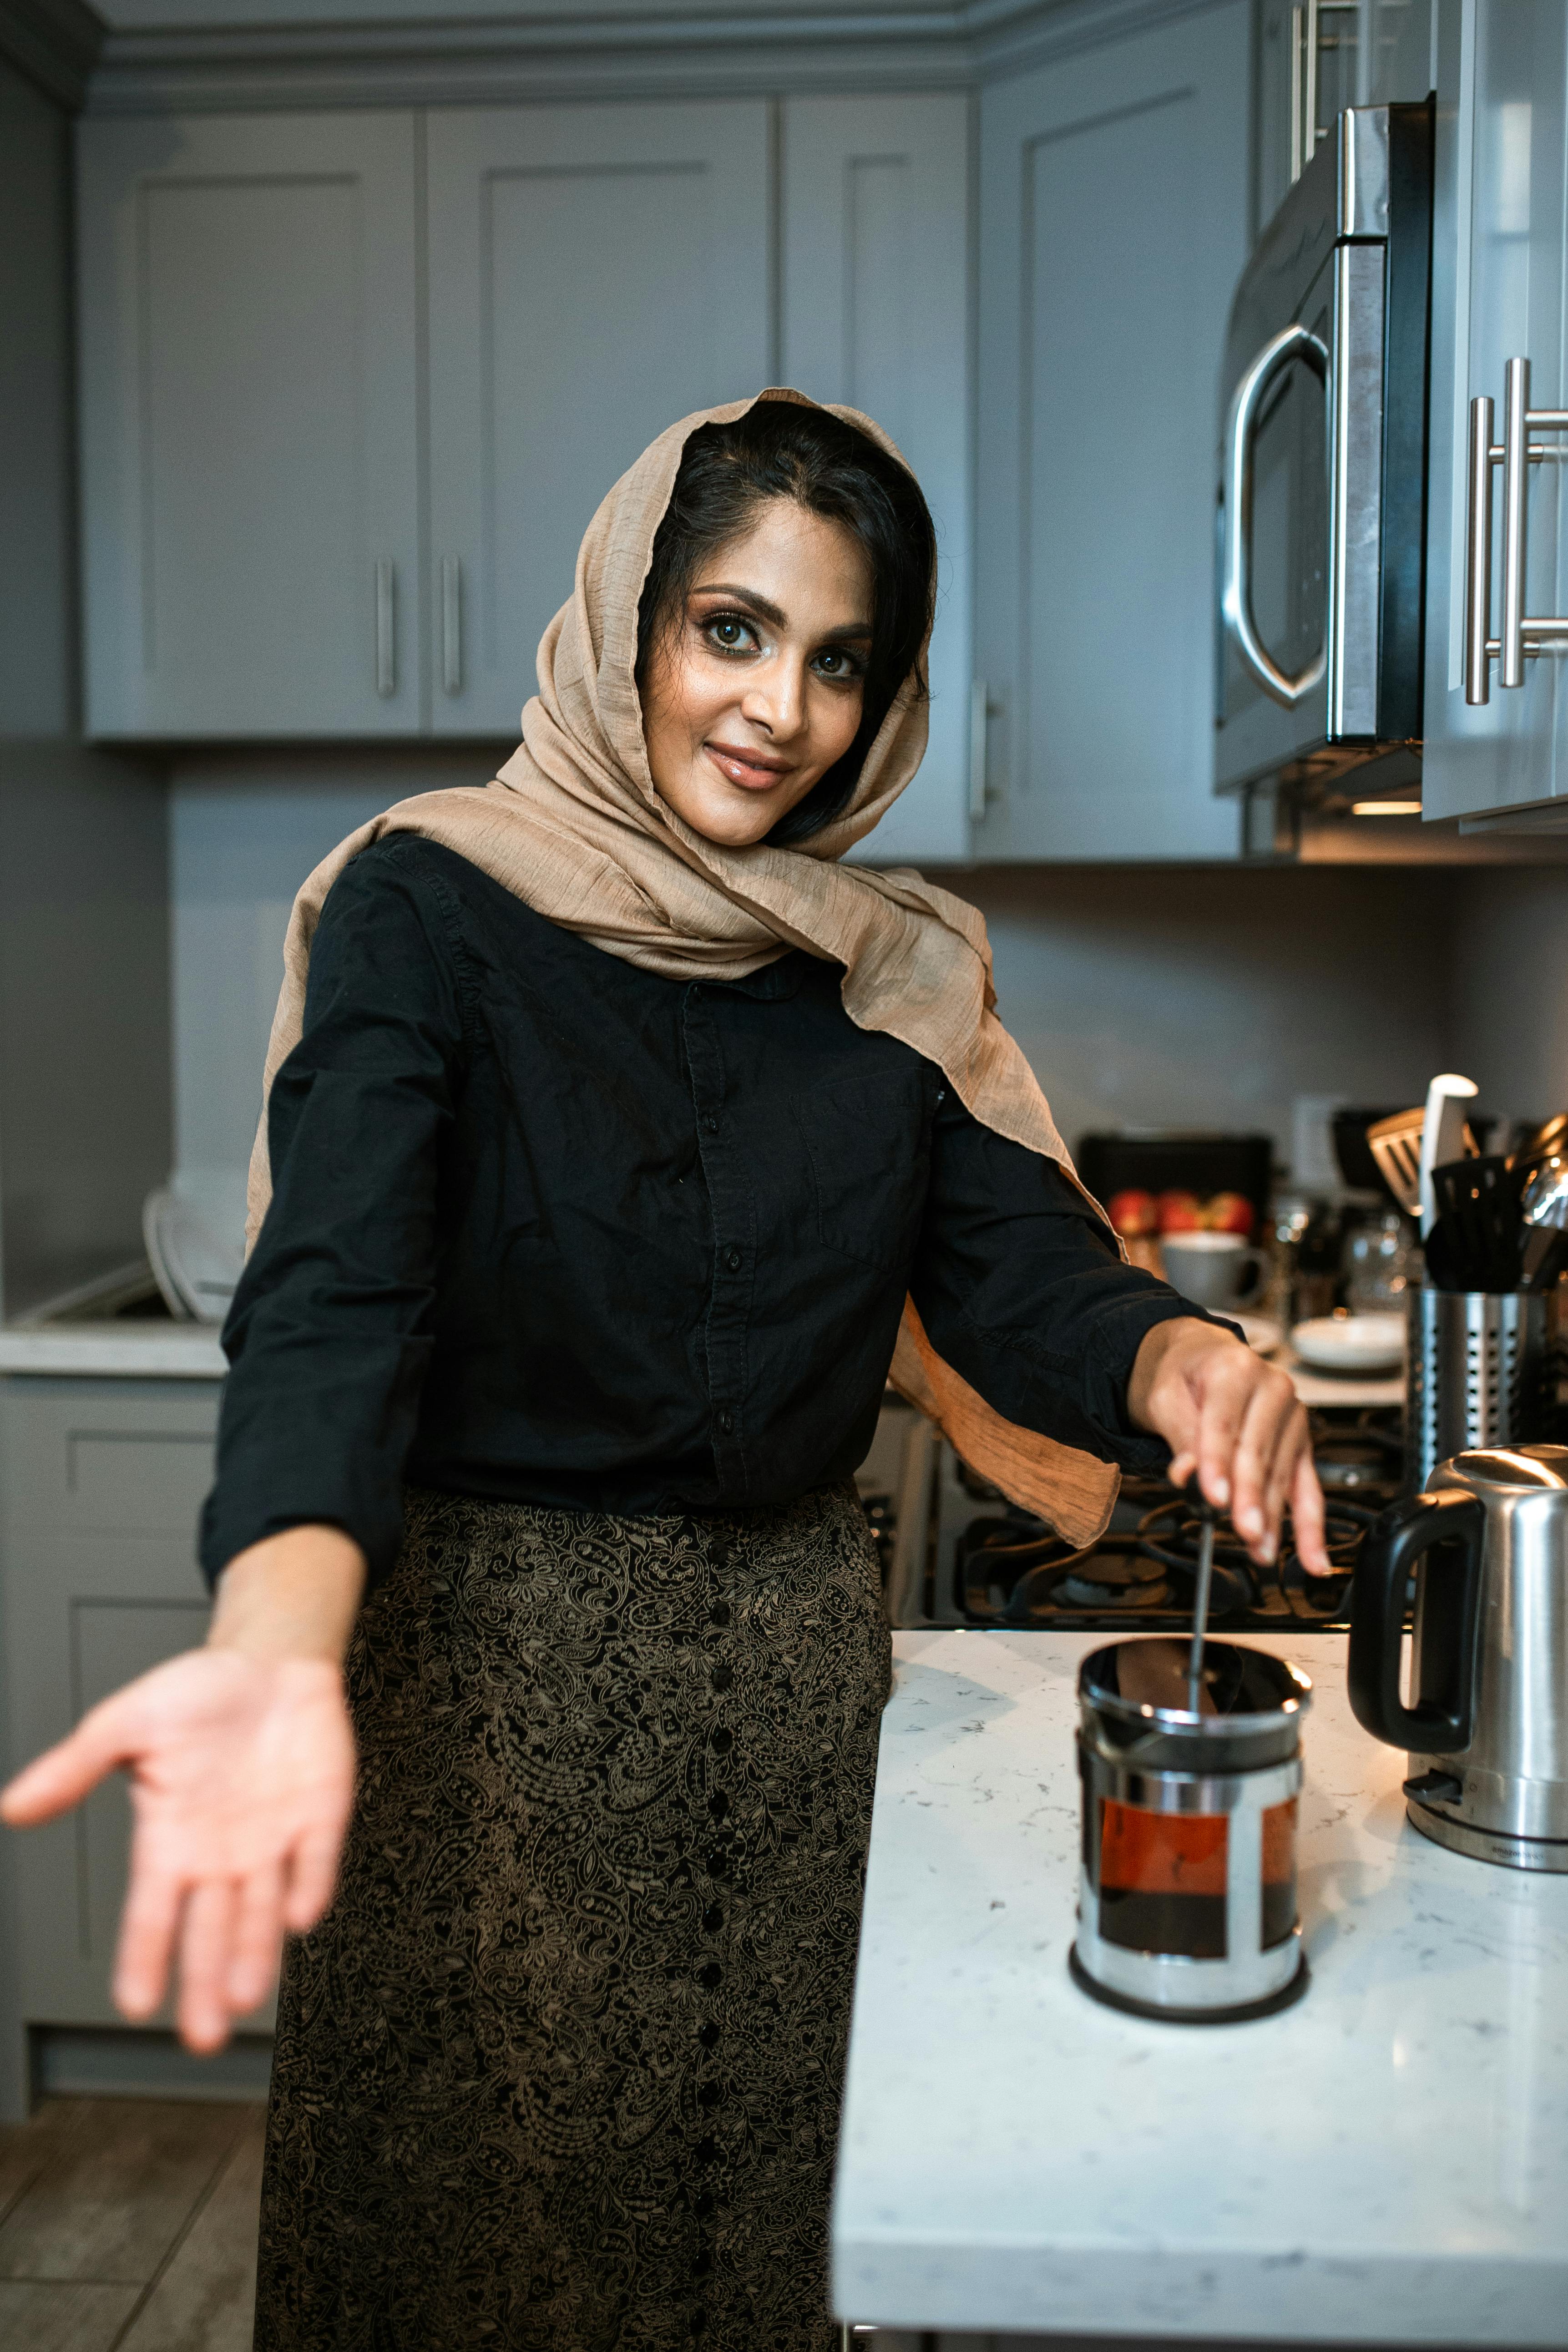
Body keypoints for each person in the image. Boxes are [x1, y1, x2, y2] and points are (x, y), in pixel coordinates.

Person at [1, 390, 1329, 2352]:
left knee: (759, 2259)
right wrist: (279, 1640)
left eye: (837, 659)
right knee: (464, 2270)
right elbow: (335, 1293)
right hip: (477, 1721)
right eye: (732, 628)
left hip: (787, 1722)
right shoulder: (426, 907)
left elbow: (1020, 1268)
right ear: (629, 615)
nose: (777, 706)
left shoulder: (884, 977)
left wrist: (1178, 1359)